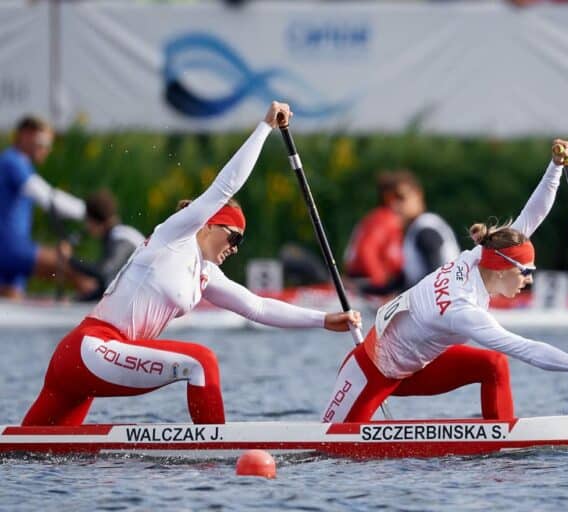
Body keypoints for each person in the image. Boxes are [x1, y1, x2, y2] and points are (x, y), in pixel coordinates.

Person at [22, 102, 361, 426]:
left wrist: (324, 320)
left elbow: (257, 307)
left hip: (90, 359)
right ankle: (215, 457)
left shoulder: (204, 273)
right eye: (235, 237)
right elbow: (226, 185)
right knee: (201, 362)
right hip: (92, 349)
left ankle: (210, 446)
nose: (235, 248)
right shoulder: (176, 234)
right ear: (209, 223)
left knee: (30, 455)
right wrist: (265, 127)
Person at [322, 140, 568, 423]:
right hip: (370, 371)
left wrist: (556, 166)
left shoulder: (482, 254)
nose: (528, 281)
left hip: (419, 366)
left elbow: (532, 215)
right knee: (330, 451)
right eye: (525, 272)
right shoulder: (463, 309)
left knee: (492, 365)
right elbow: (526, 349)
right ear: (502, 268)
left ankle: (501, 443)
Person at [0, 115, 91, 299]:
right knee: (81, 273)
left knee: (13, 310)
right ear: (25, 135)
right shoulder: (13, 161)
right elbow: (46, 197)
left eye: (50, 144)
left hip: (10, 254)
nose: (47, 149)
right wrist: (90, 212)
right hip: (11, 250)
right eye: (42, 142)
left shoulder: (17, 163)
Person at [59, 189, 146, 302]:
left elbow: (103, 272)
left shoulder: (122, 237)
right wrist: (75, 300)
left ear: (93, 221)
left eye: (87, 221)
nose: (86, 228)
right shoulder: (114, 238)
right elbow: (105, 287)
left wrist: (70, 260)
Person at [394, 171, 461, 289]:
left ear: (418, 194)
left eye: (401, 197)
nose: (396, 205)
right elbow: (404, 280)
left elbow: (435, 276)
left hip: (445, 298)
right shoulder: (417, 228)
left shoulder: (425, 229)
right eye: (393, 199)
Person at [343, 171, 405, 295]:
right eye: (400, 197)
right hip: (365, 282)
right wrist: (381, 283)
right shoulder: (386, 219)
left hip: (358, 278)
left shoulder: (374, 217)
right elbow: (366, 250)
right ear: (389, 197)